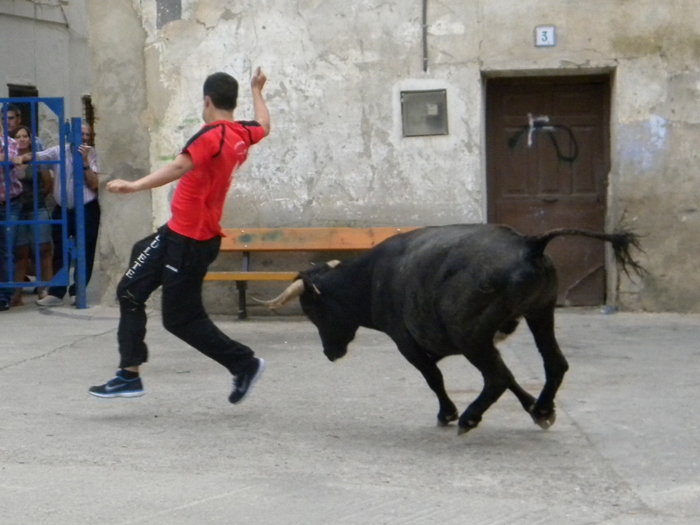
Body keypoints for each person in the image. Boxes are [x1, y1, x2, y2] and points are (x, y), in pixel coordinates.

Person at [88, 68, 271, 404]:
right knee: (130, 290)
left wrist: (134, 186)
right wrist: (258, 90)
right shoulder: (241, 133)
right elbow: (264, 125)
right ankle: (128, 374)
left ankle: (243, 363)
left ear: (207, 101)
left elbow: (177, 167)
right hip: (180, 232)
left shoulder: (212, 135)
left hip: (191, 240)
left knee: (180, 319)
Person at [15, 123, 100, 306]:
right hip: (62, 209)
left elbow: (94, 184)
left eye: (88, 135)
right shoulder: (58, 151)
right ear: (71, 135)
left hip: (86, 208)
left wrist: (85, 162)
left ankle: (78, 292)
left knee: (85, 250)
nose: (84, 138)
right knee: (60, 251)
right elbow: (37, 156)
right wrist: (21, 158)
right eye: (81, 134)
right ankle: (56, 292)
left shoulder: (94, 154)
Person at [10, 125, 53, 306]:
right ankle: (16, 293)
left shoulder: (38, 159)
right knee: (20, 252)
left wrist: (37, 197)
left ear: (30, 139)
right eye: (18, 136)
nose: (21, 139)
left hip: (37, 208)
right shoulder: (9, 159)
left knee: (43, 250)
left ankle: (46, 290)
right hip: (17, 210)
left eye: (24, 136)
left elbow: (47, 184)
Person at [0, 116, 22, 311]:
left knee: (7, 249)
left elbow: (8, 161)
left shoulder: (11, 142)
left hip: (10, 203)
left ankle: (4, 295)